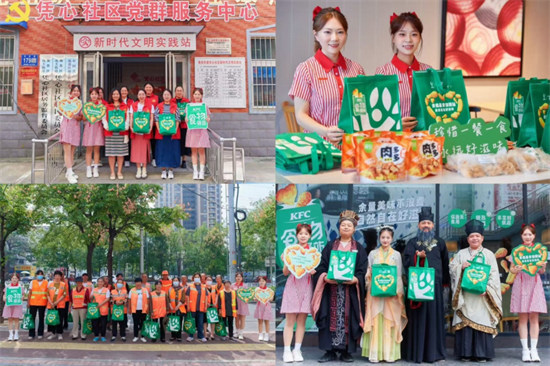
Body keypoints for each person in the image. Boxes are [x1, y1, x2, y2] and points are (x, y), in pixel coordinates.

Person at [288, 7, 365, 144]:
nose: (334, 38)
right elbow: (300, 115)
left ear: (346, 35)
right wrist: (325, 131)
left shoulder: (356, 69)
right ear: (316, 35)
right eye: (327, 32)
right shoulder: (305, 69)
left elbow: (364, 111)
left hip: (353, 149)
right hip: (320, 149)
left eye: (340, 32)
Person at [312, 210, 368, 363]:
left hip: (349, 292)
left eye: (349, 225)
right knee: (329, 317)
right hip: (331, 291)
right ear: (339, 227)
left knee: (349, 318)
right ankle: (329, 351)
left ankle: (346, 352)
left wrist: (356, 279)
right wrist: (325, 277)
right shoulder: (330, 246)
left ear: (354, 229)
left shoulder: (359, 249)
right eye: (343, 225)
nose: (345, 227)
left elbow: (363, 269)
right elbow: (321, 267)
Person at [402, 206, 449, 363]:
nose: (426, 225)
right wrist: (418, 258)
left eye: (429, 223)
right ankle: (417, 353)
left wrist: (444, 284)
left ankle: (434, 353)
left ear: (433, 225)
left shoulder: (440, 243)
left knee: (434, 321)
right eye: (423, 223)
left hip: (434, 288)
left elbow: (444, 263)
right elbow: (407, 262)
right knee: (418, 320)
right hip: (417, 289)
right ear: (418, 225)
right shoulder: (412, 243)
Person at [450, 220, 502, 362]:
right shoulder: (461, 254)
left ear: (482, 238)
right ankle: (465, 354)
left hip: (482, 297)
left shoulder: (489, 255)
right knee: (465, 323)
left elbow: (494, 275)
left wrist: (488, 289)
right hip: (465, 297)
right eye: (472, 236)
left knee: (482, 321)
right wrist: (461, 266)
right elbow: (451, 269)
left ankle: (481, 354)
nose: (474, 238)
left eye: (477, 236)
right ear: (468, 239)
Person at [375, 12, 431, 130]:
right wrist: (396, 123)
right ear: (393, 38)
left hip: (425, 141)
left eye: (414, 34)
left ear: (420, 38)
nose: (408, 40)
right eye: (402, 34)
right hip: (395, 143)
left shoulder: (428, 72)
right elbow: (376, 115)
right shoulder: (383, 73)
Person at [361, 225, 407, 363]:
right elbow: (368, 272)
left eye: (388, 237)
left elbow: (399, 274)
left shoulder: (396, 255)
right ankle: (375, 353)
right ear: (379, 238)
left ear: (392, 238)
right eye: (383, 237)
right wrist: (370, 280)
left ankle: (389, 354)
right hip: (375, 293)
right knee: (376, 320)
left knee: (389, 321)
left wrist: (397, 290)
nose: (385, 240)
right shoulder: (373, 254)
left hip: (391, 294)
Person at [509, 224, 546, 362]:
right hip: (521, 283)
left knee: (534, 318)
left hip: (535, 284)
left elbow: (541, 271)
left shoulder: (540, 251)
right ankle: (525, 350)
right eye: (525, 234)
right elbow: (511, 269)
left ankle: (534, 350)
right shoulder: (517, 251)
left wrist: (542, 267)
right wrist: (516, 269)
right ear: (521, 236)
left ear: (534, 236)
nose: (528, 237)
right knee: (523, 318)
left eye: (530, 234)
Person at [281, 223, 314, 363]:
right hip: (293, 285)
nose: (303, 236)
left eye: (306, 234)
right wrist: (288, 262)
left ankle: (297, 349)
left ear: (310, 236)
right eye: (301, 233)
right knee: (290, 320)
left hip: (306, 285)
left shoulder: (313, 252)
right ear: (296, 235)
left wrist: (313, 270)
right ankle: (287, 350)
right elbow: (285, 273)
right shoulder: (291, 251)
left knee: (302, 320)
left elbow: (314, 271)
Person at [102, 88, 129, 180]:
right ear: (111, 96)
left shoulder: (124, 106)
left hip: (121, 133)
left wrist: (125, 126)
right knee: (111, 153)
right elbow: (104, 118)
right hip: (110, 133)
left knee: (121, 153)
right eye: (114, 94)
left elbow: (128, 118)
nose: (116, 95)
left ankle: (119, 171)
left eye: (117, 94)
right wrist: (106, 126)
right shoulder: (107, 106)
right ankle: (112, 172)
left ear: (120, 95)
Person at [154, 89, 181, 179]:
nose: (166, 96)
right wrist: (159, 130)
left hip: (172, 134)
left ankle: (171, 170)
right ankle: (163, 170)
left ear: (171, 96)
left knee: (172, 151)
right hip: (161, 134)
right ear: (162, 96)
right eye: (165, 94)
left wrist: (174, 130)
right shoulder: (158, 106)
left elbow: (178, 119)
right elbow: (156, 119)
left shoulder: (175, 106)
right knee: (162, 151)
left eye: (168, 94)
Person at [185, 88, 211, 180]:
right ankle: (195, 172)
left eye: (199, 94)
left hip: (201, 131)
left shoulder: (204, 106)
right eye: (195, 94)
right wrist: (186, 120)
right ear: (193, 95)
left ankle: (202, 172)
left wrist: (208, 119)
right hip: (192, 131)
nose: (197, 96)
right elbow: (186, 118)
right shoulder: (189, 106)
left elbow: (208, 117)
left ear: (201, 96)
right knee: (194, 151)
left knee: (202, 151)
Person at [59, 84, 83, 184]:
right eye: (74, 91)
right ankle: (69, 172)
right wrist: (59, 106)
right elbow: (60, 113)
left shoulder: (79, 104)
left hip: (75, 127)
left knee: (72, 151)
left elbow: (80, 117)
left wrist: (75, 116)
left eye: (78, 91)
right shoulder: (65, 102)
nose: (76, 92)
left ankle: (70, 171)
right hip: (66, 126)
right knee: (67, 150)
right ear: (71, 92)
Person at [129, 89, 154, 179]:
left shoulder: (150, 105)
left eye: (143, 94)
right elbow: (131, 117)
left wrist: (150, 128)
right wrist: (131, 127)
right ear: (137, 95)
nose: (141, 96)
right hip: (136, 132)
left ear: (145, 95)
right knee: (136, 151)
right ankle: (138, 169)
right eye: (139, 94)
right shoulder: (133, 105)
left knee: (144, 151)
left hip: (145, 132)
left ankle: (144, 169)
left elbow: (151, 118)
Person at [82, 87, 105, 178]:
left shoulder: (101, 106)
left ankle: (95, 168)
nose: (94, 96)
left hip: (98, 128)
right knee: (89, 150)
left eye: (96, 94)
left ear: (98, 95)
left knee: (97, 149)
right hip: (89, 127)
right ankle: (88, 169)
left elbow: (103, 118)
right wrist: (87, 114)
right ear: (90, 95)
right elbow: (83, 119)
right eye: (92, 94)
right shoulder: (87, 105)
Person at [186, 272, 209, 342]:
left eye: (198, 277)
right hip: (192, 308)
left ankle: (200, 336)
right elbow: (187, 296)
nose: (197, 278)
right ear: (193, 278)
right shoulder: (190, 286)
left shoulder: (203, 287)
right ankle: (190, 336)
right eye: (195, 277)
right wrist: (188, 306)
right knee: (192, 323)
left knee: (200, 323)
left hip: (201, 308)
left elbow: (206, 297)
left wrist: (205, 307)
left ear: (200, 278)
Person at [46, 270, 68, 340]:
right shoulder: (50, 284)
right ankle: (53, 333)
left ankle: (59, 333)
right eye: (56, 275)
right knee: (52, 319)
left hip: (60, 305)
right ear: (54, 276)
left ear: (61, 277)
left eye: (59, 276)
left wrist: (56, 302)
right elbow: (48, 294)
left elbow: (64, 295)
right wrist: (51, 302)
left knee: (60, 319)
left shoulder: (63, 284)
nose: (57, 277)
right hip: (51, 305)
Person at [173, 85, 191, 169]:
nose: (179, 92)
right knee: (175, 143)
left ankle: (184, 161)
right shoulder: (172, 101)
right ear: (175, 92)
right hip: (174, 126)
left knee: (184, 143)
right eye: (177, 90)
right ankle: (176, 160)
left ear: (183, 92)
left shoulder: (187, 101)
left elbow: (190, 113)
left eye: (180, 90)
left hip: (184, 125)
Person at [3, 273, 24, 341]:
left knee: (16, 319)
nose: (14, 280)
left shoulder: (20, 287)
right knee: (10, 320)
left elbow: (23, 295)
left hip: (17, 305)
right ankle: (10, 334)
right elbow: (4, 295)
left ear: (18, 279)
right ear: (11, 279)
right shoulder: (8, 287)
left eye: (15, 278)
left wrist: (22, 297)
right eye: (13, 278)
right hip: (9, 305)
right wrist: (4, 298)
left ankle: (16, 334)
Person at [27, 269, 48, 340]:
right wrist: (28, 302)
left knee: (41, 319)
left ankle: (40, 333)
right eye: (38, 274)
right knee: (32, 319)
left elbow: (48, 293)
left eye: (41, 274)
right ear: (36, 275)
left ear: (43, 275)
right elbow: (30, 293)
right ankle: (31, 334)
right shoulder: (32, 282)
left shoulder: (46, 282)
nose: (40, 276)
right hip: (33, 303)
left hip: (42, 303)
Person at [90, 277, 110, 342]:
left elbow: (107, 298)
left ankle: (103, 336)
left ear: (103, 283)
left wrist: (100, 304)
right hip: (95, 310)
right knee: (95, 323)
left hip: (103, 309)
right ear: (97, 282)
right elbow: (91, 297)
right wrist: (91, 297)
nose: (100, 283)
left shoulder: (106, 290)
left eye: (101, 281)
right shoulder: (94, 289)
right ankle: (96, 335)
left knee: (103, 324)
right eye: (99, 281)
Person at [144, 82, 159, 166]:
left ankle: (154, 158)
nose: (148, 89)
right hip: (144, 125)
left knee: (154, 142)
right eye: (147, 87)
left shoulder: (157, 98)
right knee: (144, 142)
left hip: (154, 125)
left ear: (153, 89)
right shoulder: (141, 97)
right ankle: (144, 158)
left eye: (150, 87)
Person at [254, 276, 273, 342]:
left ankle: (267, 335)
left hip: (267, 306)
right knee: (260, 321)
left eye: (263, 281)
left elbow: (271, 299)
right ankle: (260, 334)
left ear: (265, 282)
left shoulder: (269, 290)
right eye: (260, 281)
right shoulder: (257, 290)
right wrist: (256, 299)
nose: (261, 282)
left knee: (267, 321)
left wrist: (269, 298)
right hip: (259, 306)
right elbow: (255, 298)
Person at [232, 271, 249, 340]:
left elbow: (248, 295)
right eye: (237, 277)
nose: (238, 278)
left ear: (242, 278)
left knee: (242, 319)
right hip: (235, 304)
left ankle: (241, 333)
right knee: (236, 319)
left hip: (243, 304)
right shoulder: (233, 286)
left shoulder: (245, 286)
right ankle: (237, 331)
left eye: (240, 277)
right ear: (235, 278)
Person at [169, 276, 186, 342]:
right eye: (174, 280)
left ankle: (179, 336)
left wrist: (177, 307)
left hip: (180, 308)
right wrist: (171, 307)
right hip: (172, 309)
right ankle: (173, 336)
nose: (175, 282)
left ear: (179, 282)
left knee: (179, 322)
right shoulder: (170, 289)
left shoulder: (182, 289)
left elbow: (183, 299)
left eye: (177, 280)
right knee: (173, 322)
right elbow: (168, 299)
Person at [206, 275, 217, 340]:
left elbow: (217, 295)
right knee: (206, 321)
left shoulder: (214, 287)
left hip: (213, 306)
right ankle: (206, 334)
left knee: (213, 321)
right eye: (207, 280)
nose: (209, 281)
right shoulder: (204, 287)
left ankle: (212, 334)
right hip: (206, 306)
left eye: (210, 280)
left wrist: (215, 303)